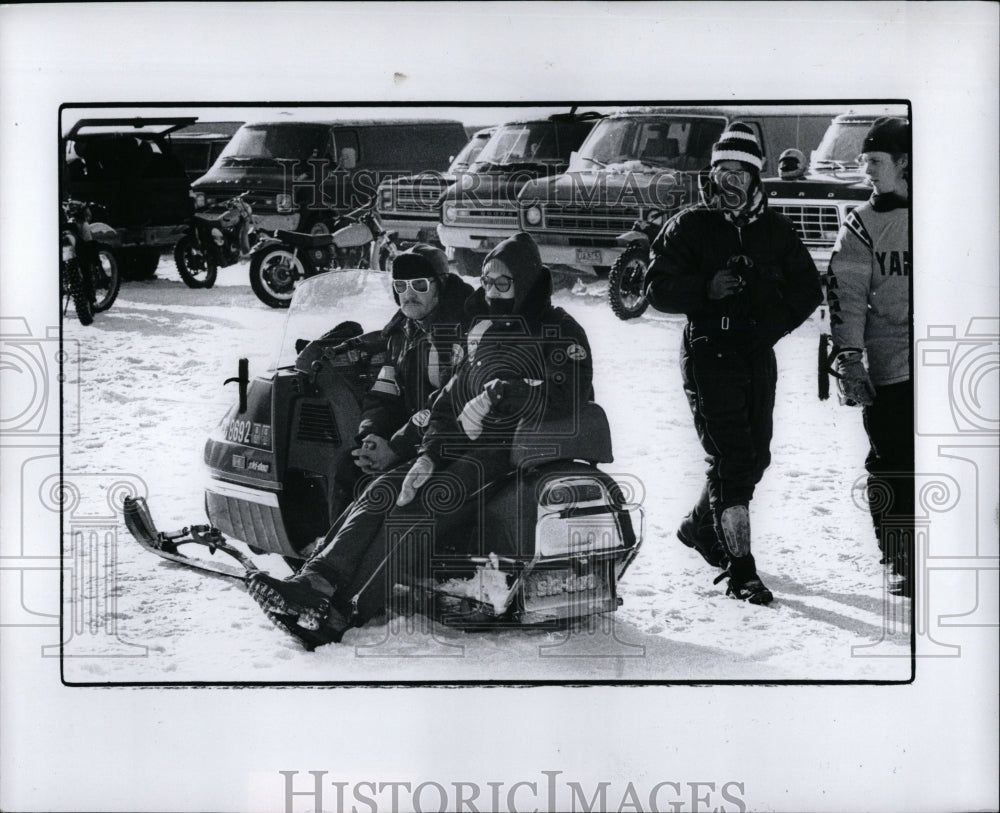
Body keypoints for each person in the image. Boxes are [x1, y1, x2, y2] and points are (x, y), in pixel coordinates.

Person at [247, 232, 594, 647]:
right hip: (460, 443)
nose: (493, 292)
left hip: (510, 451)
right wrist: (427, 452)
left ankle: (344, 610)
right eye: (486, 282)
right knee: (383, 489)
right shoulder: (484, 326)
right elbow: (450, 397)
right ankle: (316, 580)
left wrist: (506, 391)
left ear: (527, 281)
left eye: (504, 283)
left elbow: (567, 395)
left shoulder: (557, 329)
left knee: (422, 504)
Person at [643, 122, 823, 605]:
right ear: (710, 174)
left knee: (755, 456)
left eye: (740, 173)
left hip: (756, 354)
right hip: (708, 353)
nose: (730, 182)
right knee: (732, 460)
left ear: (755, 178)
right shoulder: (689, 224)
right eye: (722, 171)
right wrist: (705, 288)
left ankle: (701, 526)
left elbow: (807, 289)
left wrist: (771, 328)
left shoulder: (776, 228)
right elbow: (655, 289)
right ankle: (741, 570)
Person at [825, 117, 912, 596]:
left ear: (904, 162)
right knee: (891, 465)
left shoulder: (946, 214)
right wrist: (851, 359)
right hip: (890, 369)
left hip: (945, 367)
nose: (868, 173)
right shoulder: (862, 223)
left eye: (876, 162)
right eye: (864, 164)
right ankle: (898, 559)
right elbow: (848, 296)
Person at [327, 244, 474, 517]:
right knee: (348, 467)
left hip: (447, 441)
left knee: (385, 491)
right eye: (400, 286)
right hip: (412, 436)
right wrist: (372, 436)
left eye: (419, 285)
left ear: (440, 284)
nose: (408, 294)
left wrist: (395, 448)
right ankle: (329, 549)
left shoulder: (462, 332)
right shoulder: (401, 333)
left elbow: (450, 405)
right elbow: (384, 393)